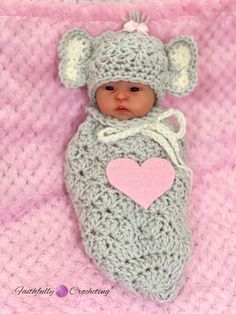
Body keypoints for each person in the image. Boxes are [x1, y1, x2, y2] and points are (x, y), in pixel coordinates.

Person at [58, 12, 198, 302]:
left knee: (163, 215)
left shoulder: (164, 132)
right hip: (109, 202)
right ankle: (116, 251)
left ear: (156, 93)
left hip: (157, 197)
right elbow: (81, 175)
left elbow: (179, 175)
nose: (121, 97)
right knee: (108, 214)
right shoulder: (91, 135)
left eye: (134, 88)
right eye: (109, 88)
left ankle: (166, 260)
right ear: (94, 89)